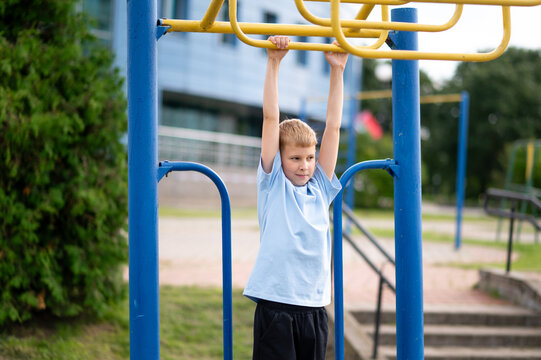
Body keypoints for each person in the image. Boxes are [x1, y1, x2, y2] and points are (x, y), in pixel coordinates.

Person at [243, 35, 349, 360]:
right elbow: (270, 119)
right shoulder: (274, 183)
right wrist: (273, 62)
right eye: (295, 159)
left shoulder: (320, 188)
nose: (304, 166)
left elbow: (332, 128)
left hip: (314, 308)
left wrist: (338, 70)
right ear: (280, 158)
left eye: (309, 158)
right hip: (276, 306)